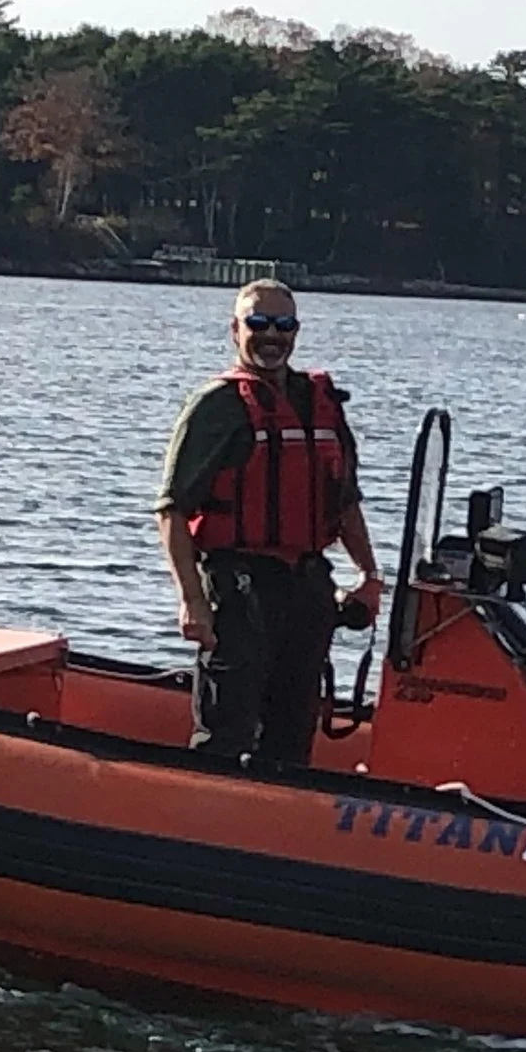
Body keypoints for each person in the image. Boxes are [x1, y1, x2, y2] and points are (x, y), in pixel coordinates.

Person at [154, 281, 383, 767]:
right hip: (239, 590)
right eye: (258, 324)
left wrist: (368, 575)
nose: (271, 335)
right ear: (236, 329)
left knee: (293, 727)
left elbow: (344, 502)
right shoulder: (216, 407)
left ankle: (281, 817)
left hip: (306, 589)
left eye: (283, 325)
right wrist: (192, 601)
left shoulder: (319, 403)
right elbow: (172, 510)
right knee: (228, 725)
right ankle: (205, 815)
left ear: (296, 332)